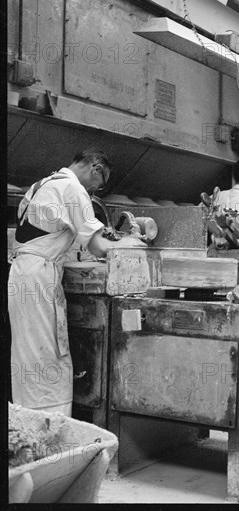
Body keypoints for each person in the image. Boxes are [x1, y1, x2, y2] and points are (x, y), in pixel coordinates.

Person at [8, 149, 143, 416]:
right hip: (39, 279)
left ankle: (29, 425)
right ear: (95, 167)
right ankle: (51, 429)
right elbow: (98, 247)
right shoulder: (72, 188)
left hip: (22, 274)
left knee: (28, 354)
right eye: (101, 182)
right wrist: (132, 243)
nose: (97, 189)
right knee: (47, 355)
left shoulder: (43, 183)